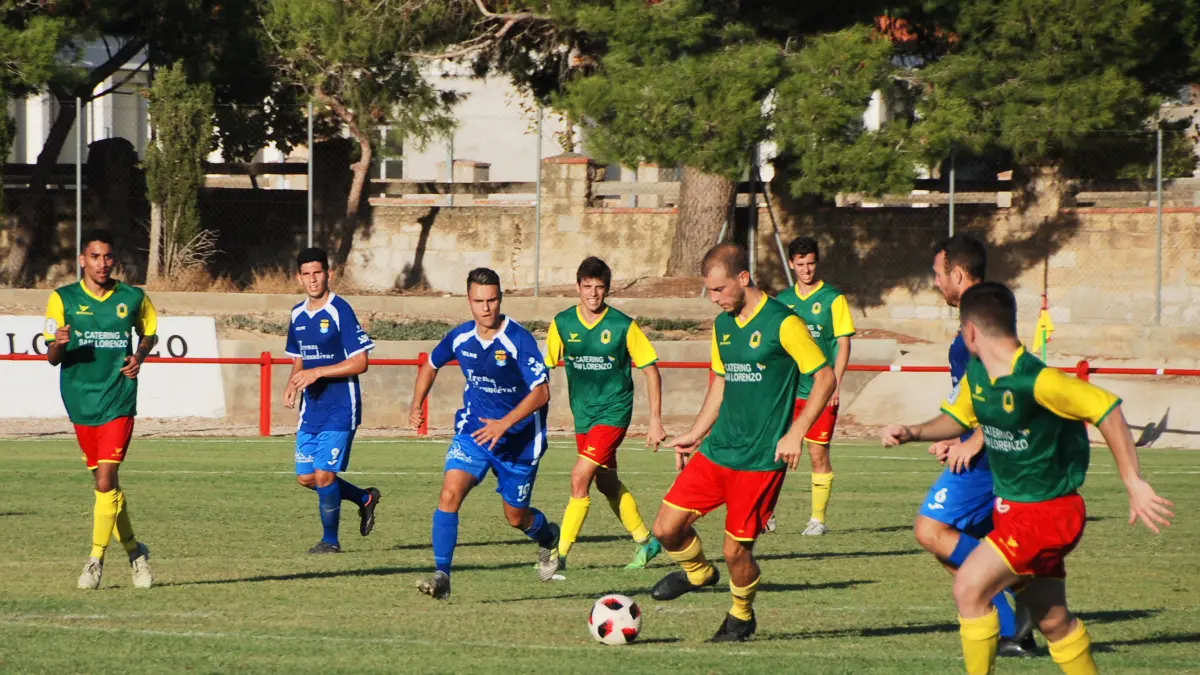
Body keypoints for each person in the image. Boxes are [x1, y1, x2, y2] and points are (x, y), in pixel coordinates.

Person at [882, 281, 1174, 675]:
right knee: (1053, 622)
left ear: (970, 331)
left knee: (969, 588)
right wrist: (913, 431)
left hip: (1048, 513)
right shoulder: (978, 374)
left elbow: (1106, 408)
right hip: (1014, 512)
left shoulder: (1038, 380)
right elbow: (958, 417)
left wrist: (1133, 481)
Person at [650, 243, 835, 642]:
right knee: (665, 529)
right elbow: (721, 382)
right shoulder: (723, 325)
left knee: (736, 551)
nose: (714, 298)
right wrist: (696, 433)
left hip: (759, 460)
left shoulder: (784, 323)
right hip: (718, 450)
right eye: (709, 291)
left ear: (743, 278)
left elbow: (825, 378)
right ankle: (699, 573)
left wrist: (796, 431)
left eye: (719, 289)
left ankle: (741, 616)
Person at [912, 235, 1035, 656]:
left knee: (931, 530)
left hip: (990, 457)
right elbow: (974, 397)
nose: (935, 282)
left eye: (938, 274)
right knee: (954, 546)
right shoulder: (974, 322)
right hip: (981, 450)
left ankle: (1024, 584)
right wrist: (956, 437)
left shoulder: (984, 325)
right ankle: (1014, 631)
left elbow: (1008, 387)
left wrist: (976, 439)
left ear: (958, 274)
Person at [408, 267, 561, 599]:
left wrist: (504, 424)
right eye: (479, 301)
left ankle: (548, 537)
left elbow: (542, 392)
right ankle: (442, 575)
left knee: (516, 517)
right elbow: (431, 364)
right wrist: (417, 402)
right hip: (475, 433)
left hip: (519, 442)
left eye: (492, 300)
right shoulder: (461, 337)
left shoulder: (518, 339)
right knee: (449, 493)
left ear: (500, 299)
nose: (486, 307)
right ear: (469, 300)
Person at [44, 229, 157, 589]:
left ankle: (94, 561)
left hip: (118, 397)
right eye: (95, 257)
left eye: (107, 256)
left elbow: (150, 331)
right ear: (82, 260)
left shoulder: (132, 297)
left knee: (106, 479)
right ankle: (136, 552)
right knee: (106, 486)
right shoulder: (62, 299)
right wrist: (60, 344)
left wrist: (139, 357)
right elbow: (52, 357)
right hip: (80, 400)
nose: (102, 263)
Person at [545, 257, 666, 570]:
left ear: (608, 289)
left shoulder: (623, 325)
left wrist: (654, 420)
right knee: (606, 483)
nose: (593, 294)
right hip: (583, 415)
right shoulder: (562, 324)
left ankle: (559, 556)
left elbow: (651, 371)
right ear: (578, 287)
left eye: (599, 287)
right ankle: (646, 541)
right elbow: (543, 368)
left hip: (614, 413)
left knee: (579, 477)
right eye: (587, 287)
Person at [283, 247, 379, 554]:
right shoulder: (297, 314)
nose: (312, 279)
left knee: (325, 475)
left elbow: (361, 362)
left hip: (341, 407)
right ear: (299, 278)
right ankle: (364, 498)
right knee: (306, 477)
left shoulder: (340, 311)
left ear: (329, 275)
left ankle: (330, 541)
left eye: (318, 273)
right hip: (311, 408)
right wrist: (293, 382)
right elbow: (298, 357)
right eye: (306, 274)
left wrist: (318, 372)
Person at [771, 236, 856, 535]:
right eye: (801, 264)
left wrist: (835, 384)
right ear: (791, 264)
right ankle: (767, 513)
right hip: (788, 392)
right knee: (774, 452)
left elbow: (843, 344)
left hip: (820, 392)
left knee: (818, 454)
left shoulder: (833, 298)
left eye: (811, 263)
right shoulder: (782, 301)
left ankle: (817, 520)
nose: (806, 270)